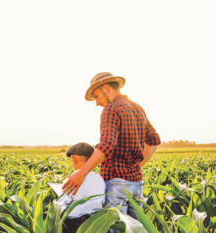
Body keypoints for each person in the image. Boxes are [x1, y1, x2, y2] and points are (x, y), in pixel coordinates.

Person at [62, 72, 161, 219]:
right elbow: (154, 140)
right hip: (137, 184)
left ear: (106, 88)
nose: (97, 102)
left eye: (96, 96)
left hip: (116, 185)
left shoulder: (111, 109)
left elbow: (107, 145)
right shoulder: (138, 108)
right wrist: (137, 166)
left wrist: (81, 173)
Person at [58, 142, 105, 233]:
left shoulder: (71, 180)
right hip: (95, 222)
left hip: (75, 225)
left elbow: (62, 204)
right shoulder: (100, 179)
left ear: (74, 159)